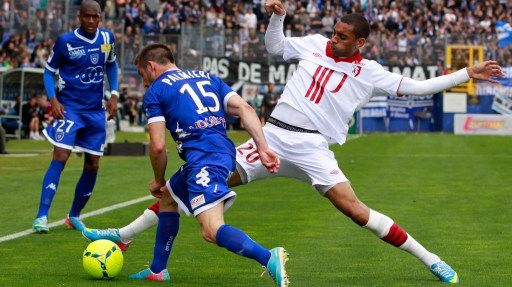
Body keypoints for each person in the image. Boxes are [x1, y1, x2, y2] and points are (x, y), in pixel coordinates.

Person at [83, 2, 504, 284]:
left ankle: (430, 259)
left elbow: (416, 88)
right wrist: (277, 18)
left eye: (342, 37)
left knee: (355, 210)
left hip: (314, 149)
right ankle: (124, 235)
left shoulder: (371, 71)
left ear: (359, 43)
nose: (333, 39)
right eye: (334, 32)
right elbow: (275, 46)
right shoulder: (314, 45)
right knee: (187, 183)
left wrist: (466, 73)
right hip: (274, 135)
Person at [120, 43, 289, 286]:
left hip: (204, 159)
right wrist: (262, 147)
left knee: (211, 230)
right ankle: (157, 270)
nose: (143, 80)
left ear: (151, 66)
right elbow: (245, 108)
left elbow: (157, 146)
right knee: (168, 197)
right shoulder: (207, 77)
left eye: (141, 73)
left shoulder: (156, 91)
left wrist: (157, 178)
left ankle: (268, 257)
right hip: (222, 154)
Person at [32, 0, 119, 233]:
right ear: (79, 17)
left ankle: (74, 215)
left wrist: (114, 94)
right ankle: (41, 216)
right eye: (87, 16)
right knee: (60, 155)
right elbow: (49, 72)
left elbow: (112, 65)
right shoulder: (66, 42)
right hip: (69, 107)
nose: (91, 21)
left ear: (100, 17)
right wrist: (53, 100)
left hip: (94, 111)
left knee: (93, 163)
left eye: (95, 17)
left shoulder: (107, 39)